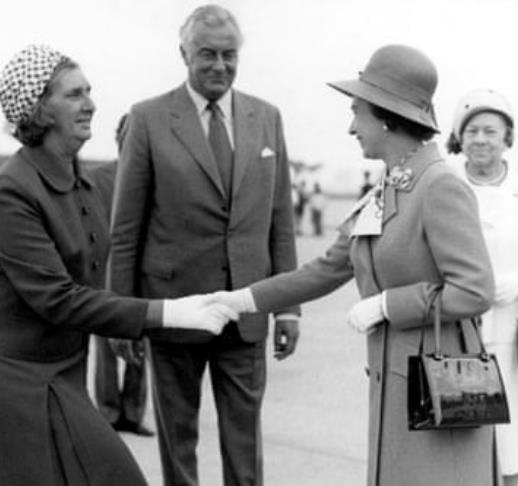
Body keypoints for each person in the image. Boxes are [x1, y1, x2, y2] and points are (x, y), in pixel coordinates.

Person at [0, 44, 237, 486]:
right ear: (39, 110)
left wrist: (138, 319)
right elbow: (58, 298)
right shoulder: (11, 192)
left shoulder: (82, 183)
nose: (91, 104)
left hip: (60, 364)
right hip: (5, 368)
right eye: (75, 94)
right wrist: (166, 313)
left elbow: (102, 271)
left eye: (89, 91)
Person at [214, 45, 497, 486]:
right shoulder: (389, 186)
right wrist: (242, 299)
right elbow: (326, 268)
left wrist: (388, 304)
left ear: (386, 116)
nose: (351, 127)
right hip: (397, 389)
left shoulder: (439, 186)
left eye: (356, 112)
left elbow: (474, 290)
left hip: (440, 390)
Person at [108, 5, 300, 485]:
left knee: (245, 446)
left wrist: (290, 308)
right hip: (174, 310)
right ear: (183, 54)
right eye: (207, 55)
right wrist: (124, 316)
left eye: (229, 55)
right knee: (178, 443)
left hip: (246, 308)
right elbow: (126, 228)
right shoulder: (148, 118)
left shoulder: (267, 118)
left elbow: (280, 220)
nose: (219, 66)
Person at [447, 88, 518, 486]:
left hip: (517, 335)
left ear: (507, 138)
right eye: (472, 130)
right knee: (467, 441)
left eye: (490, 131)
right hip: (458, 332)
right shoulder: (443, 186)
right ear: (459, 137)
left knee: (516, 439)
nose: (480, 139)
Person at [93, 114, 154, 437]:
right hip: (105, 273)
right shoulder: (97, 177)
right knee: (105, 344)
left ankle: (133, 412)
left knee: (141, 342)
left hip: (144, 274)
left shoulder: (153, 178)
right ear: (118, 138)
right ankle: (107, 410)